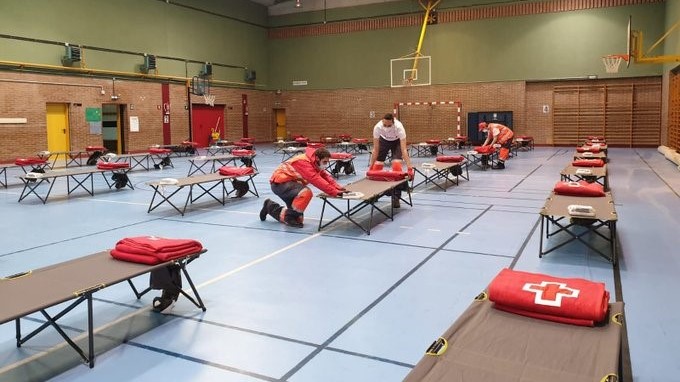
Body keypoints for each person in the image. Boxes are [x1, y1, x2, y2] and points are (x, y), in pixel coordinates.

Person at [260, 147, 346, 228]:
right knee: (306, 193)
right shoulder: (303, 162)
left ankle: (270, 207)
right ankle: (289, 217)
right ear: (317, 158)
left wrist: (337, 188)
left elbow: (324, 175)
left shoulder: (313, 162)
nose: (326, 165)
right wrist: (334, 192)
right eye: (325, 162)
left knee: (297, 219)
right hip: (280, 184)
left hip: (291, 185)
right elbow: (316, 179)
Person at [369, 113, 413, 208]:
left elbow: (404, 149)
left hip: (396, 142)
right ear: (382, 121)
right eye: (385, 125)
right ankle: (374, 194)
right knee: (376, 168)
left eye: (389, 126)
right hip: (383, 141)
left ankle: (396, 197)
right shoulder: (377, 127)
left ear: (393, 123)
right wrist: (370, 167)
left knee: (396, 166)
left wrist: (409, 168)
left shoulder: (399, 127)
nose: (387, 127)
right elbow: (375, 149)